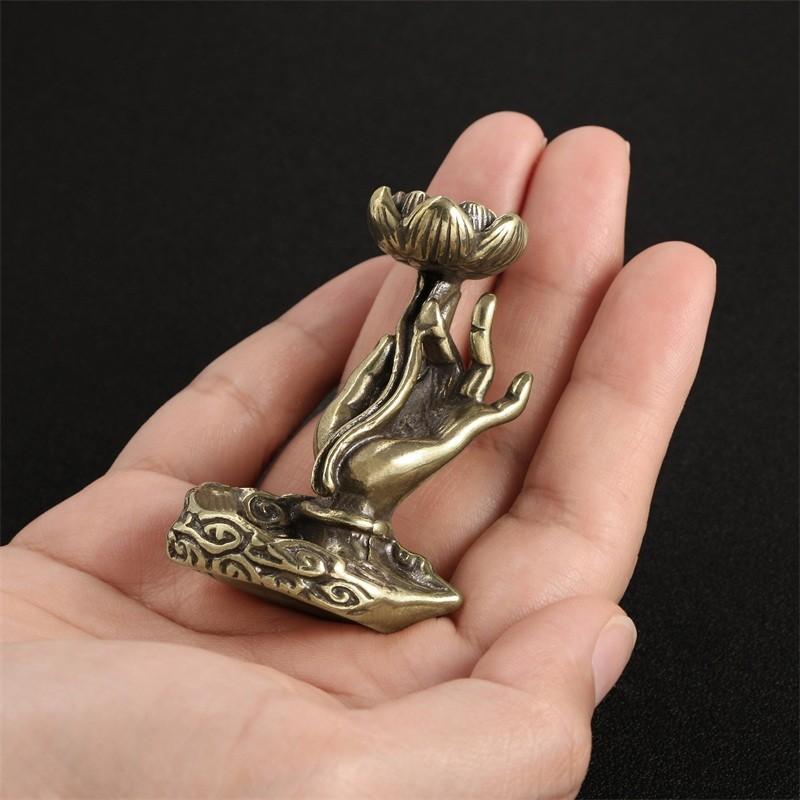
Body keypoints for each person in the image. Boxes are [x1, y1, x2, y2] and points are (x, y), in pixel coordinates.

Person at [1, 112, 715, 798]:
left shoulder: (425, 340)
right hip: (340, 477)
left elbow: (421, 372)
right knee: (383, 388)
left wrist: (471, 419)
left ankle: (385, 484)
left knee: (406, 391)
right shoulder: (409, 336)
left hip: (363, 494)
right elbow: (395, 363)